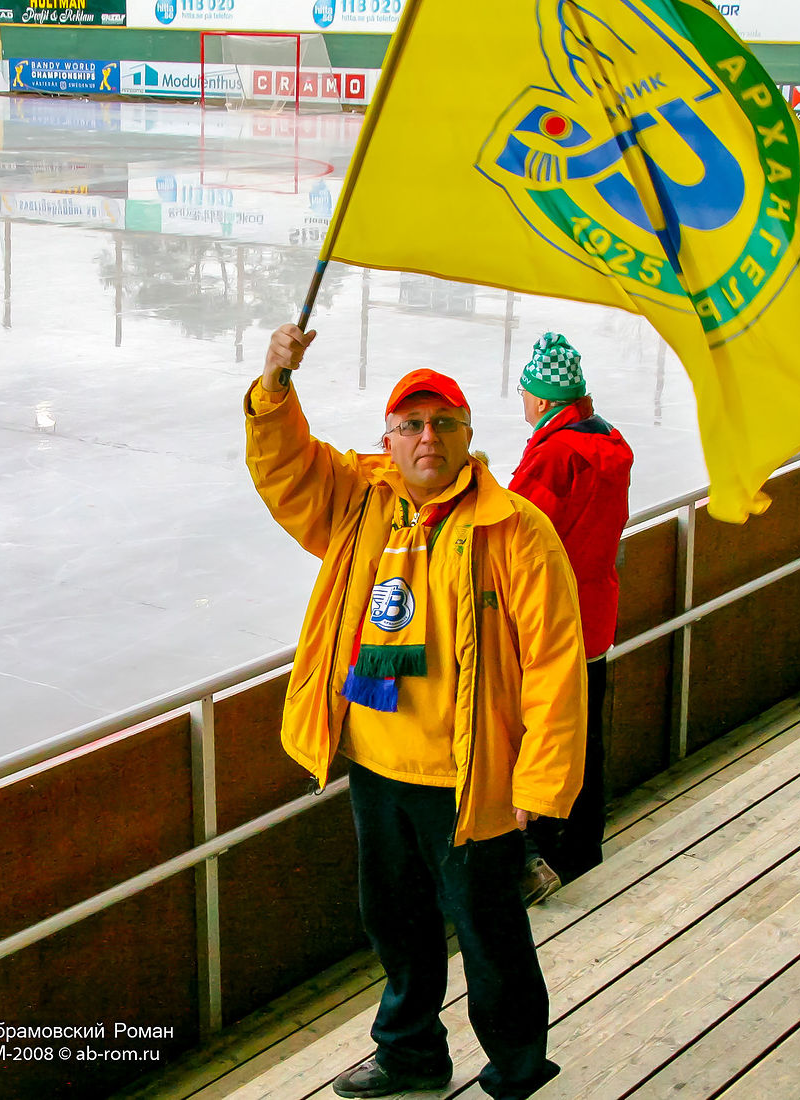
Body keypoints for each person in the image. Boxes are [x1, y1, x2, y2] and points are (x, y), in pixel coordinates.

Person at [244, 324, 588, 1100]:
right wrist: (275, 382)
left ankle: (517, 1071)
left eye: (443, 424)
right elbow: (285, 467)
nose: (426, 437)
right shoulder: (357, 503)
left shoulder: (514, 531)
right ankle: (409, 1055)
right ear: (388, 441)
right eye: (410, 425)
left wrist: (540, 783)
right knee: (395, 923)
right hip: (376, 763)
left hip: (470, 776)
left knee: (491, 933)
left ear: (468, 437)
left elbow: (554, 667)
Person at [509, 332, 633, 903]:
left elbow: (516, 530)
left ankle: (543, 859)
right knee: (585, 740)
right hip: (595, 615)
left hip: (552, 623)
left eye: (524, 392)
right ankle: (583, 851)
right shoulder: (608, 441)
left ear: (540, 398)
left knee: (543, 740)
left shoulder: (554, 455)